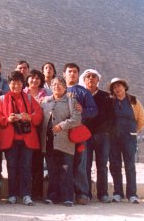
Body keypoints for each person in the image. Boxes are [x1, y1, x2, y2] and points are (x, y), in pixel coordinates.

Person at [0, 70, 42, 205]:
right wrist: (7, 119)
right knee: (12, 166)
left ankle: (26, 194)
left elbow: (39, 115)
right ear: (9, 84)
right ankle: (12, 194)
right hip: (11, 139)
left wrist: (29, 117)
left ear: (22, 84)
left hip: (27, 139)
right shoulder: (2, 99)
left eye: (19, 83)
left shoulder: (30, 99)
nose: (16, 86)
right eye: (13, 83)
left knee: (26, 167)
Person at [39, 76, 82, 207]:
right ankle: (53, 196)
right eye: (54, 84)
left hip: (65, 142)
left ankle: (68, 197)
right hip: (49, 142)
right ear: (51, 87)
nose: (57, 86)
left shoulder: (71, 101)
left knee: (66, 170)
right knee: (52, 170)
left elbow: (77, 119)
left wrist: (62, 126)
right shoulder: (45, 102)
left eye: (60, 84)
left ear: (65, 87)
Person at [108, 77, 144, 204]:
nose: (117, 89)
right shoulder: (110, 102)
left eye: (119, 86)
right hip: (113, 137)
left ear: (125, 87)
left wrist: (134, 131)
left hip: (129, 137)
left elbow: (142, 119)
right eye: (114, 87)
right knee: (115, 165)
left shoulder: (134, 101)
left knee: (130, 165)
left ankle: (132, 194)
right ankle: (118, 193)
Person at [63, 63, 97, 205]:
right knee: (65, 164)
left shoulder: (84, 92)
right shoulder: (57, 89)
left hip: (78, 134)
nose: (72, 74)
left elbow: (94, 111)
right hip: (62, 133)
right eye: (69, 71)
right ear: (64, 74)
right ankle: (66, 194)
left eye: (75, 72)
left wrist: (83, 110)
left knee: (80, 163)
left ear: (78, 75)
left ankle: (82, 193)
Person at [80, 68, 114, 202]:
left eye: (94, 76)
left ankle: (103, 193)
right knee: (86, 165)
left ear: (98, 80)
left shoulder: (106, 96)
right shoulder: (81, 96)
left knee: (102, 165)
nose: (91, 79)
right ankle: (86, 192)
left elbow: (111, 117)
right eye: (88, 76)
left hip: (102, 135)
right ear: (84, 80)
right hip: (85, 135)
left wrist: (106, 131)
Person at [24, 69, 49, 201]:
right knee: (24, 161)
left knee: (38, 161)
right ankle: (23, 191)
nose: (34, 80)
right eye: (32, 78)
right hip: (25, 130)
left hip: (41, 130)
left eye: (38, 78)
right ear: (27, 79)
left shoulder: (46, 95)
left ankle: (37, 192)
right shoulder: (21, 93)